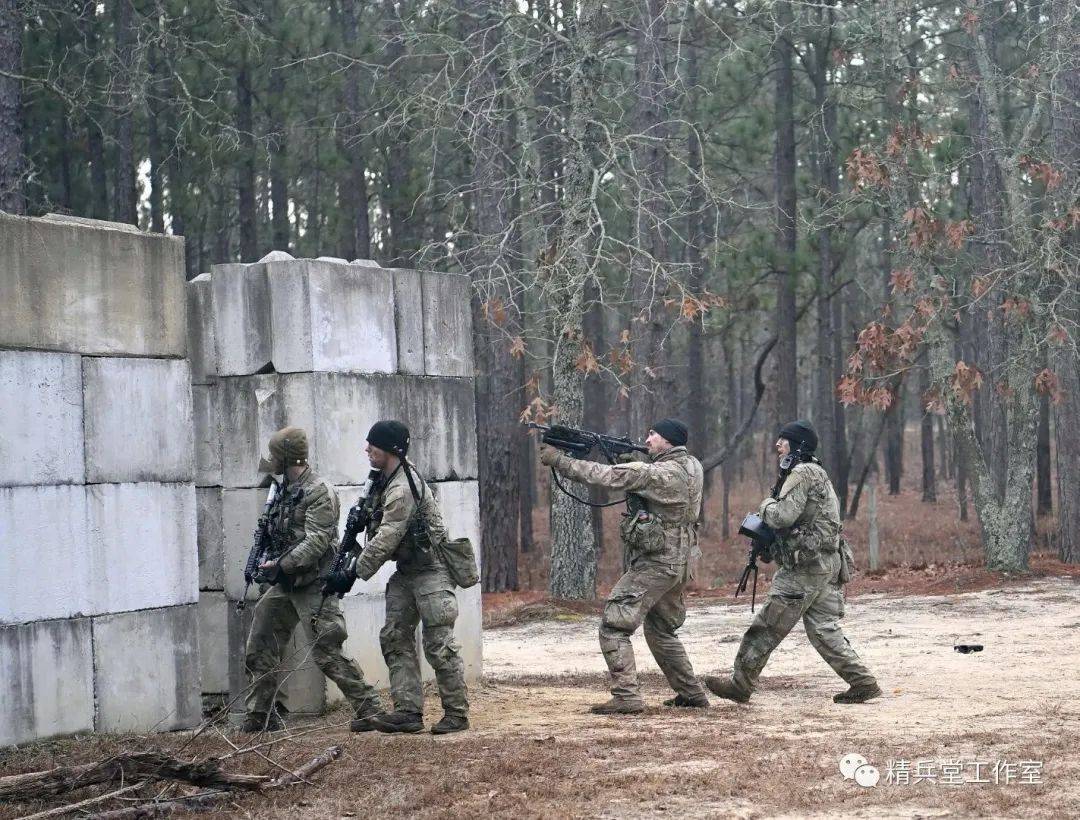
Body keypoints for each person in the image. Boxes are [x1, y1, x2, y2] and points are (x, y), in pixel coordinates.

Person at [539, 417, 710, 714]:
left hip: (657, 563)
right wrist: (632, 461)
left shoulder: (657, 473)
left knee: (613, 625)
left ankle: (626, 696)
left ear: (667, 441)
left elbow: (603, 475)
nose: (646, 440)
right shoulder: (692, 465)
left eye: (653, 435)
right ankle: (692, 694)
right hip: (680, 562)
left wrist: (559, 461)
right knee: (661, 630)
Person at [704, 420, 882, 705]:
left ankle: (740, 685)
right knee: (824, 629)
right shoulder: (817, 472)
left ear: (797, 446)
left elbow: (781, 516)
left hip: (804, 570)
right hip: (825, 564)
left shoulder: (800, 473)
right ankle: (863, 682)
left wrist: (764, 505)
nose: (777, 445)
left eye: (782, 441)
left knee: (767, 626)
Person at [241, 427, 382, 733]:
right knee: (261, 641)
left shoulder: (320, 491)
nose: (272, 462)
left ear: (287, 458)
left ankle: (368, 706)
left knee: (327, 650)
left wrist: (281, 564)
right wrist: (266, 560)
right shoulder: (283, 490)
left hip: (315, 583)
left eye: (276, 457)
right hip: (286, 583)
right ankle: (263, 712)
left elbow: (317, 541)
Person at [348, 420, 470, 735]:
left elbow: (388, 536)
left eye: (372, 444)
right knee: (394, 635)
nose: (366, 449)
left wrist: (354, 571)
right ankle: (408, 712)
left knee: (438, 644)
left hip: (432, 569)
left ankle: (456, 714)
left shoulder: (402, 488)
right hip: (407, 571)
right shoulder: (383, 480)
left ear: (390, 450)